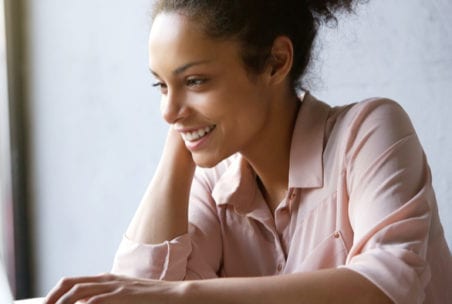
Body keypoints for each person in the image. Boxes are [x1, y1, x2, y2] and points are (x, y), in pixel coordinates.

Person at [45, 0, 452, 303]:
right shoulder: (212, 184)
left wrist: (184, 295)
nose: (166, 111)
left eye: (196, 80)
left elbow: (388, 285)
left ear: (276, 62)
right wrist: (183, 136)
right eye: (161, 85)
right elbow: (134, 293)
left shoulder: (370, 131)